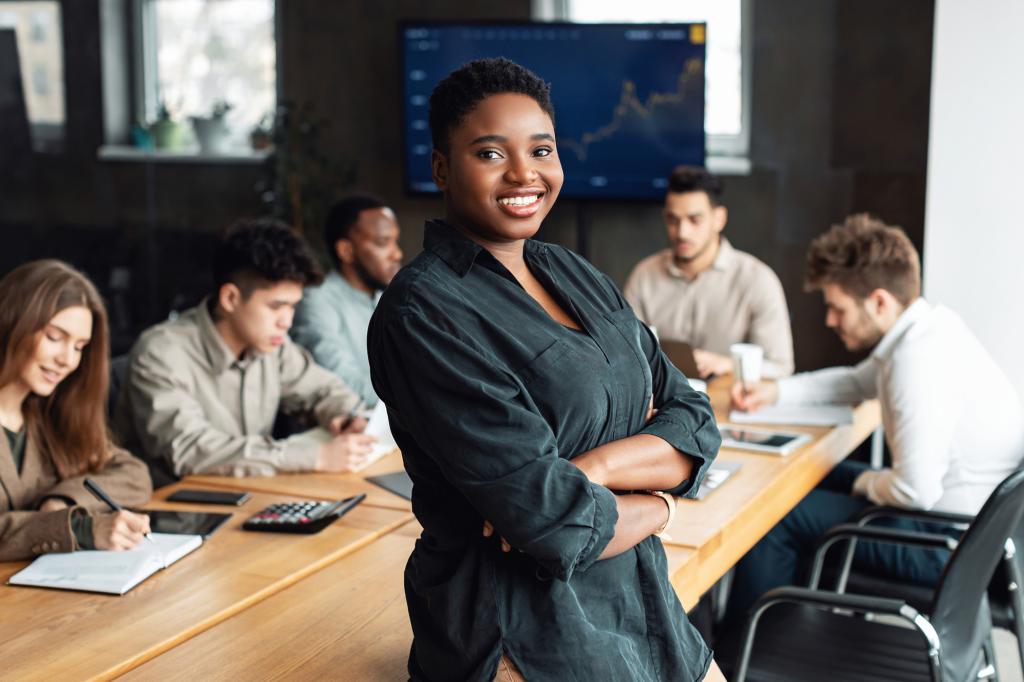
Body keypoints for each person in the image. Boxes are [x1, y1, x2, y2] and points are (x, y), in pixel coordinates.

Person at [368, 58, 725, 682]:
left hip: (641, 604)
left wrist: (597, 469)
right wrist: (662, 506)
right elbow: (549, 523)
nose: (523, 173)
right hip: (519, 633)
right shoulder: (422, 310)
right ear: (442, 168)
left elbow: (693, 420)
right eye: (489, 153)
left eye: (541, 149)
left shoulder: (575, 272)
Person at [725, 214, 1024, 620]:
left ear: (879, 301)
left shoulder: (915, 361)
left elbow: (914, 490)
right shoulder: (929, 330)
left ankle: (747, 654)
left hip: (944, 545)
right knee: (824, 470)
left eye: (837, 308)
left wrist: (864, 482)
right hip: (976, 536)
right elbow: (850, 383)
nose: (830, 320)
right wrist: (773, 392)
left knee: (773, 517)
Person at [114, 219, 374, 487]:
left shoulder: (273, 345)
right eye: (276, 307)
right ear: (230, 299)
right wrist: (315, 456)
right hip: (169, 512)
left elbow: (323, 390)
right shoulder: (160, 353)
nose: (286, 321)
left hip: (246, 495)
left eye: (292, 307)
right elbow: (191, 450)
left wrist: (346, 416)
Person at [0, 260, 152, 561]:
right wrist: (79, 528)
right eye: (55, 337)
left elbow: (134, 475)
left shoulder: (50, 414)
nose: (67, 360)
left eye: (80, 347)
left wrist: (62, 499)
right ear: (11, 322)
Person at [624, 166, 794, 378]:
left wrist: (729, 364)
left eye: (695, 220)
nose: (682, 232)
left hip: (729, 404)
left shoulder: (758, 280)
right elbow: (626, 355)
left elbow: (780, 367)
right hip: (662, 402)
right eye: (672, 220)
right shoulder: (644, 276)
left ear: (719, 219)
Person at [291, 194, 403, 406]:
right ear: (346, 250)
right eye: (383, 242)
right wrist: (417, 398)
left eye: (395, 241)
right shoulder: (317, 301)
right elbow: (341, 383)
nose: (397, 253)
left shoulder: (388, 297)